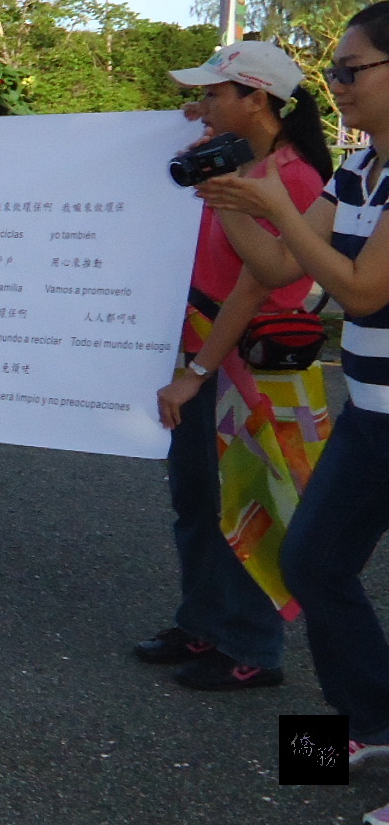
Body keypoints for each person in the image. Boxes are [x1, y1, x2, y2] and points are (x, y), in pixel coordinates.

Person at [198, 3, 389, 771]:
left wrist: (275, 202)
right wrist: (230, 203)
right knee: (311, 560)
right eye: (332, 72)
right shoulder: (360, 167)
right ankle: (371, 725)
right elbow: (280, 270)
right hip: (370, 412)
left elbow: (362, 292)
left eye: (351, 70)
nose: (335, 85)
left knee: (317, 558)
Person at [135, 40, 333, 691]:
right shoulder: (226, 159)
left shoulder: (294, 179)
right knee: (195, 498)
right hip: (202, 342)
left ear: (257, 100)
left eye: (217, 93)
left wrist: (195, 371)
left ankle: (252, 646)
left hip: (250, 357)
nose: (203, 104)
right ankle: (202, 621)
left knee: (251, 502)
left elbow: (257, 287)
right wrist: (198, 119)